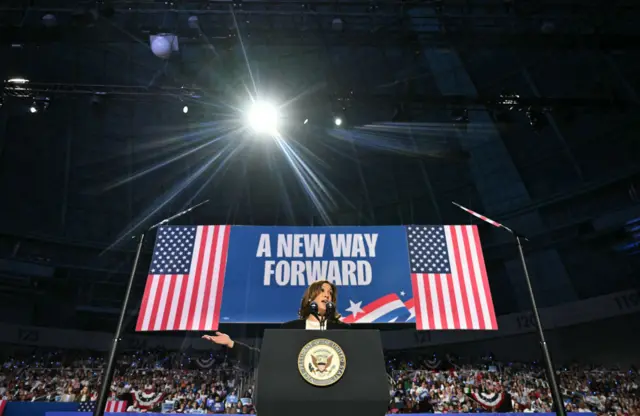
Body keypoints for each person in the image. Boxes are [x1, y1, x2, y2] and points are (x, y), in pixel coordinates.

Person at [201, 280, 348, 364]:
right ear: (310, 298)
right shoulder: (289, 329)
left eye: (330, 293)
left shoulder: (343, 331)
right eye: (322, 290)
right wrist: (231, 344)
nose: (327, 295)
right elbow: (265, 358)